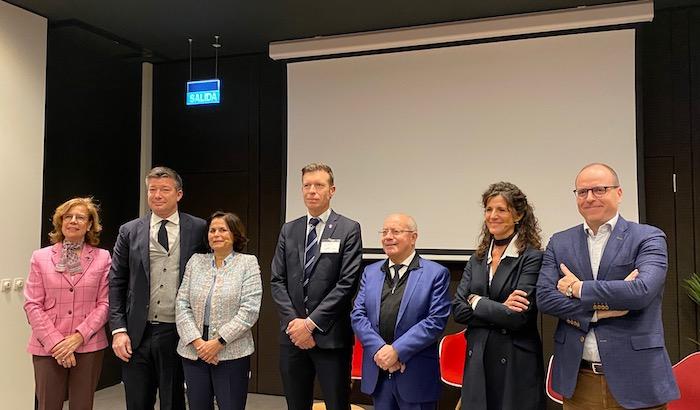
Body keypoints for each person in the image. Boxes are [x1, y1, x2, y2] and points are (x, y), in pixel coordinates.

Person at [536, 163, 680, 409]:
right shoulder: (560, 242)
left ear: (619, 193)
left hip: (637, 377)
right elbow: (545, 298)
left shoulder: (647, 237)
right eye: (582, 192)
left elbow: (641, 292)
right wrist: (596, 312)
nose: (590, 197)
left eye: (599, 189)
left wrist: (577, 289)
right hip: (579, 382)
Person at [109, 166, 208, 410]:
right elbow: (116, 281)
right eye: (152, 190)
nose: (157, 195)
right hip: (136, 333)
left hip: (178, 331)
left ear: (179, 194)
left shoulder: (198, 228)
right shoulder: (129, 230)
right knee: (137, 401)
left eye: (165, 189)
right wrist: (118, 330)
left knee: (173, 400)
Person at [270, 162, 363, 410]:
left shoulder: (348, 228)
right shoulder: (289, 230)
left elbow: (347, 284)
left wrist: (310, 325)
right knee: (296, 404)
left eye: (319, 185)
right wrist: (296, 325)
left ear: (331, 190)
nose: (312, 190)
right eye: (306, 185)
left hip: (330, 337)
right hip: (292, 338)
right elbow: (277, 281)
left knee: (336, 403)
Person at [452, 182, 545, 410]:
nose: (492, 216)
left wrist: (476, 301)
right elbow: (458, 310)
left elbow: (517, 318)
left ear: (518, 215)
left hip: (515, 360)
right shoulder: (477, 258)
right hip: (478, 356)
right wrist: (499, 308)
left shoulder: (531, 257)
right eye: (488, 209)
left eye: (501, 210)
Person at [351, 213, 451, 410]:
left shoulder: (436, 274)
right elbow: (358, 315)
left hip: (415, 374)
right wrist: (381, 351)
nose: (388, 236)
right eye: (384, 232)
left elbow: (435, 321)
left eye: (395, 231)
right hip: (379, 372)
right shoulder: (370, 272)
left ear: (413, 237)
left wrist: (396, 351)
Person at [23, 197, 111, 410]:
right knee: (48, 405)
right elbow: (32, 305)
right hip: (47, 347)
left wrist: (78, 337)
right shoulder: (40, 257)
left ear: (90, 224)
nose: (73, 221)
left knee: (82, 405)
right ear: (60, 222)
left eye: (80, 217)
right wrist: (57, 344)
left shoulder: (103, 257)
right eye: (68, 217)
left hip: (88, 344)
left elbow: (105, 304)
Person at [175, 211, 262, 410]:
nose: (216, 234)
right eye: (212, 230)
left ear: (234, 235)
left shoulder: (247, 263)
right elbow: (181, 304)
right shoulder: (196, 261)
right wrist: (198, 343)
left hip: (231, 351)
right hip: (193, 350)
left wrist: (218, 342)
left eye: (222, 230)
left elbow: (249, 310)